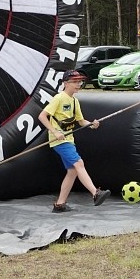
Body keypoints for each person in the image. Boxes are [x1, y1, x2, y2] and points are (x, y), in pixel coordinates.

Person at [38, 70, 111, 213]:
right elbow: (42, 116)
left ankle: (60, 204)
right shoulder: (59, 98)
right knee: (79, 163)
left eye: (80, 82)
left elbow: (80, 121)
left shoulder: (74, 101)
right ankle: (95, 193)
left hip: (69, 140)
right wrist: (55, 132)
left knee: (72, 171)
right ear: (65, 83)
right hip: (59, 141)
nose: (79, 84)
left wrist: (91, 124)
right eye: (75, 82)